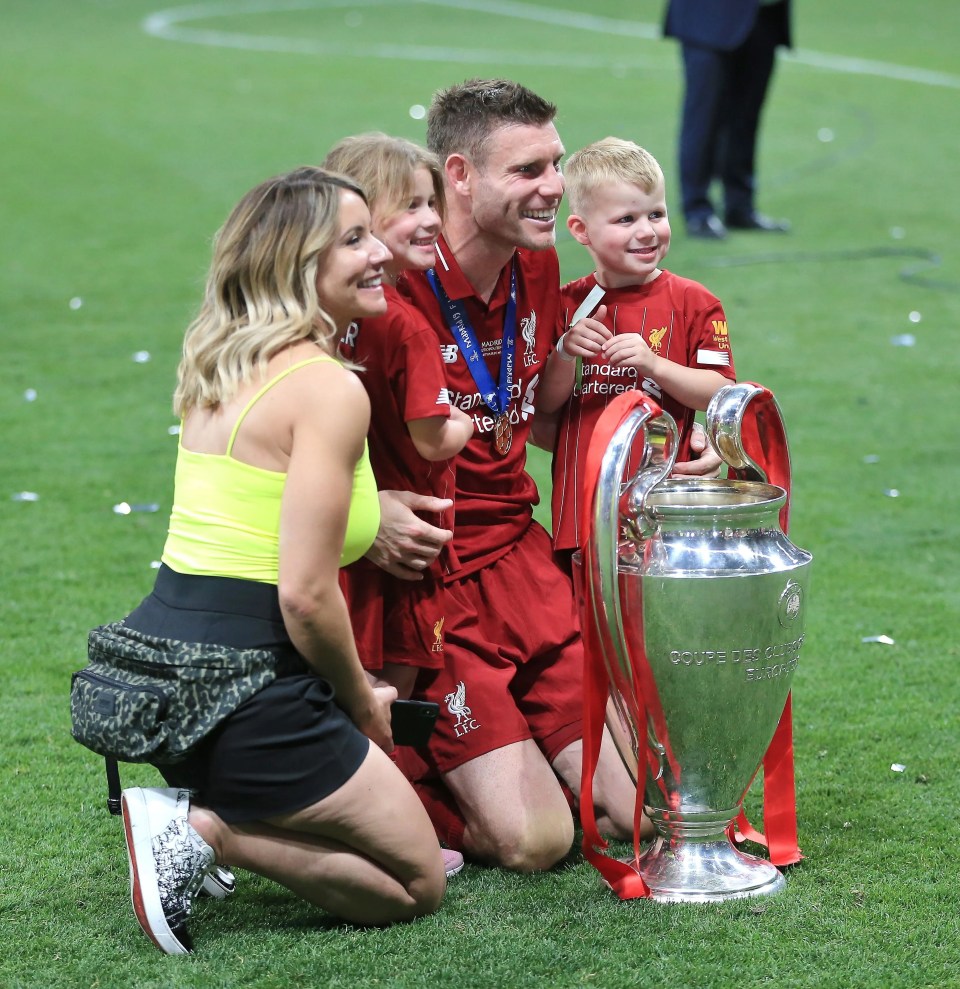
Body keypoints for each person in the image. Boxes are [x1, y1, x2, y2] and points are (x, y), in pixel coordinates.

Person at [107, 167, 454, 956]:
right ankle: (203, 830)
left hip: (168, 672)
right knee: (417, 881)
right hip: (250, 687)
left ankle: (214, 808)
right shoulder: (327, 388)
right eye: (355, 240)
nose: (383, 256)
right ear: (299, 263)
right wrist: (359, 696)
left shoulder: (217, 358)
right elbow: (303, 594)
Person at [370, 78, 642, 872]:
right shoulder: (385, 278)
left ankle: (507, 744)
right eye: (528, 171)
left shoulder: (539, 262)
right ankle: (384, 780)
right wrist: (367, 505)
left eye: (555, 164)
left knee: (636, 808)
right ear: (459, 175)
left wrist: (660, 446)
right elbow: (290, 412)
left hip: (521, 562)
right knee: (537, 839)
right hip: (434, 580)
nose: (555, 187)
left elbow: (535, 413)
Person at [321, 134, 474, 699]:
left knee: (343, 685)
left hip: (344, 540)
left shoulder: (323, 315)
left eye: (432, 202)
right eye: (410, 206)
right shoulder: (405, 324)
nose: (432, 219)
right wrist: (465, 420)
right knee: (390, 700)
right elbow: (434, 441)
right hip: (409, 542)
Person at [537, 137, 738, 555]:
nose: (647, 231)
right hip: (582, 507)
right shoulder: (563, 305)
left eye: (656, 214)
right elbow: (543, 408)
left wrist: (655, 365)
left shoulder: (696, 302)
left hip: (667, 513)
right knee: (584, 617)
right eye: (626, 219)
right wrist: (563, 353)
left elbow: (720, 393)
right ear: (581, 230)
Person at [663, 0, 792, 239]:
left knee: (746, 118)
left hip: (763, 17)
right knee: (703, 118)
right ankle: (697, 210)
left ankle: (740, 206)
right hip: (709, 17)